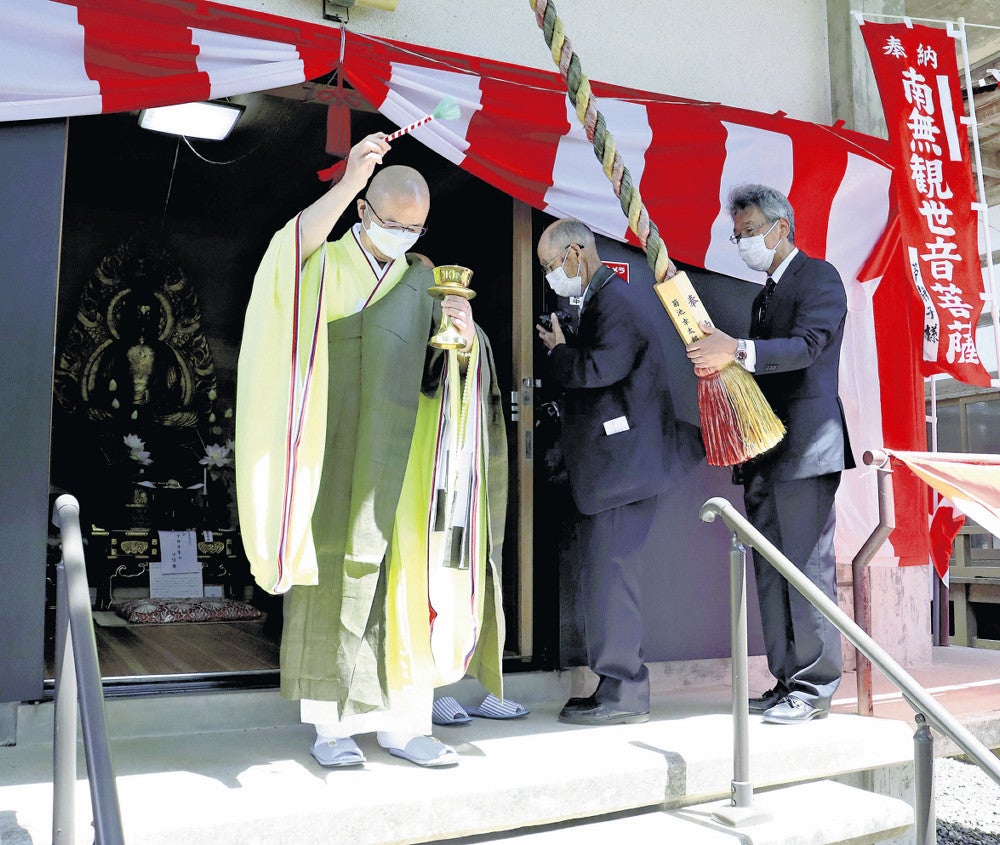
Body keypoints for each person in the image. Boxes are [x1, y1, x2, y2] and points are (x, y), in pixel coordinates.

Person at [235, 132, 508, 767]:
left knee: (409, 580)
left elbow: (457, 372)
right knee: (335, 571)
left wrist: (466, 342)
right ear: (364, 210)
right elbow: (285, 259)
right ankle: (331, 728)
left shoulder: (425, 280)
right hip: (334, 450)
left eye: (417, 227)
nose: (406, 238)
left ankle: (405, 724)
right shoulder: (324, 266)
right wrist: (350, 179)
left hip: (406, 460)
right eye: (393, 223)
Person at [685, 184, 854, 725]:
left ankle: (816, 685)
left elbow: (807, 348)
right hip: (765, 452)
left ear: (783, 227)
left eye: (751, 231)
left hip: (807, 449)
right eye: (737, 235)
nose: (744, 243)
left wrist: (733, 348)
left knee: (806, 571)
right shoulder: (765, 295)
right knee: (771, 571)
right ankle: (787, 679)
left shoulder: (818, 277)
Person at [535, 218, 685, 726]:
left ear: (576, 254)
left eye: (551, 265)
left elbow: (597, 371)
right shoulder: (603, 302)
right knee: (605, 578)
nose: (552, 276)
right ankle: (613, 686)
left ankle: (623, 691)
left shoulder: (615, 302)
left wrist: (558, 353)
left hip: (622, 474)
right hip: (616, 474)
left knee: (612, 579)